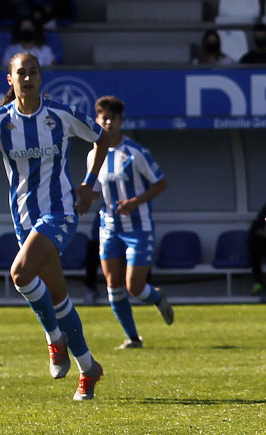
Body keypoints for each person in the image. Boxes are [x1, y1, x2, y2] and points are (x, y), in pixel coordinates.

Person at [0, 52, 109, 400]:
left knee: (20, 274)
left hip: (60, 214)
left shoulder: (60, 115)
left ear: (41, 77)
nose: (27, 78)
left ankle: (54, 339)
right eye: (20, 73)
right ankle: (89, 369)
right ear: (9, 79)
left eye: (33, 72)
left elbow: (100, 138)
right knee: (58, 298)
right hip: (25, 221)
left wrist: (88, 184)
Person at [88, 95, 174, 350]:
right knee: (113, 286)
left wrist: (135, 202)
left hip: (138, 227)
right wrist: (83, 197)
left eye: (113, 118)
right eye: (104, 118)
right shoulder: (93, 155)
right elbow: (98, 191)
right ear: (97, 120)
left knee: (134, 287)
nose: (108, 122)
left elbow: (161, 183)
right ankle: (133, 338)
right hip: (109, 227)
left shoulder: (135, 153)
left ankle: (157, 297)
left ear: (121, 121)